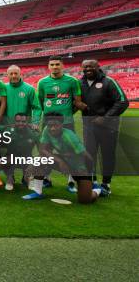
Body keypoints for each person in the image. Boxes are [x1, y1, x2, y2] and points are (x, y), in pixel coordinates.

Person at [22, 113, 100, 204]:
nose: (52, 128)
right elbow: (42, 150)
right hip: (64, 161)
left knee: (85, 200)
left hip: (79, 167)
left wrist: (89, 176)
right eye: (50, 125)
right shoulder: (47, 130)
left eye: (56, 125)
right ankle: (38, 192)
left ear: (62, 125)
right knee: (41, 159)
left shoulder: (70, 136)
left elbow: (88, 157)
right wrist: (60, 161)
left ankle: (97, 190)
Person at [80, 59, 128, 196]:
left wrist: (106, 118)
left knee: (107, 155)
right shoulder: (80, 83)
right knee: (89, 155)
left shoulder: (109, 81)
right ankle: (93, 182)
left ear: (98, 67)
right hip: (88, 127)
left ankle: (106, 184)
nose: (88, 69)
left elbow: (123, 101)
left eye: (91, 66)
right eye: (85, 67)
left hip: (108, 128)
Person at [37, 55, 86, 192]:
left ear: (62, 65)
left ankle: (70, 182)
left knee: (69, 151)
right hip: (47, 123)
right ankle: (47, 178)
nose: (54, 67)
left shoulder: (72, 81)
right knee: (45, 151)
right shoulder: (42, 82)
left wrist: (68, 113)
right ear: (48, 66)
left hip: (66, 123)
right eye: (52, 65)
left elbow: (77, 102)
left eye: (57, 64)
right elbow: (41, 102)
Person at [3, 113, 40, 191]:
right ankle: (10, 178)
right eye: (18, 121)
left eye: (23, 121)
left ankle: (27, 179)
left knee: (36, 162)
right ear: (14, 122)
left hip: (26, 157)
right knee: (5, 160)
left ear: (27, 122)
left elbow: (41, 149)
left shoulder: (33, 133)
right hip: (12, 157)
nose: (20, 123)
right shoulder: (8, 131)